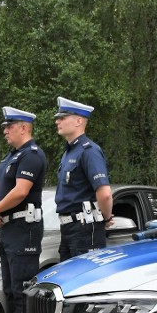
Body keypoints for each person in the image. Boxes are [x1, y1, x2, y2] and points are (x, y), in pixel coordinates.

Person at [0, 106, 47, 313]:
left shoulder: (31, 155)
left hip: (24, 227)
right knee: (10, 288)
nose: (5, 131)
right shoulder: (9, 157)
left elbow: (21, 192)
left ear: (24, 127)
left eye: (9, 127)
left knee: (23, 288)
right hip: (8, 227)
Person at [53, 97, 112, 261]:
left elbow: (105, 193)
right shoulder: (69, 152)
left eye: (63, 117)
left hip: (85, 228)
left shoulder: (89, 151)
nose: (58, 121)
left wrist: (106, 217)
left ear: (78, 121)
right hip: (69, 228)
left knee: (86, 280)